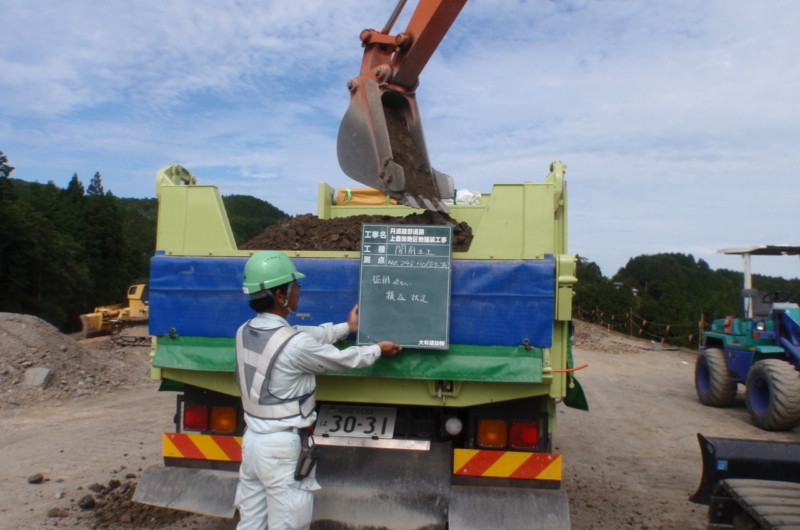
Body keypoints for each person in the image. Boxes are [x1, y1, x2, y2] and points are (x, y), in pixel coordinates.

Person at [234, 251, 402, 530]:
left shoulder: (245, 330)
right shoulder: (294, 345)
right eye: (295, 286)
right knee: (288, 524)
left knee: (251, 523)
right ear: (280, 295)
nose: (299, 291)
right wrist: (377, 349)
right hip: (280, 449)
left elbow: (303, 334)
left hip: (252, 442)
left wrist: (347, 328)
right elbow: (342, 360)